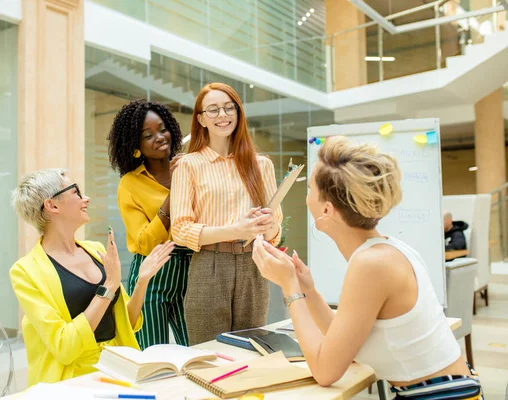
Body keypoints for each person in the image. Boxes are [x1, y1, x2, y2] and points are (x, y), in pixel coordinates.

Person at [251, 137, 483, 399]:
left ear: (327, 209)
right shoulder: (386, 250)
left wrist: (289, 287)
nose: (306, 197)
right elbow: (343, 339)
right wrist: (308, 289)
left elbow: (325, 371)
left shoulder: (371, 265)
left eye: (309, 189)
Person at [9, 168, 175, 386]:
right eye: (76, 192)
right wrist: (109, 287)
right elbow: (64, 347)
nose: (86, 198)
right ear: (52, 205)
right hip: (71, 381)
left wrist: (143, 280)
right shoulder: (25, 272)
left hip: (118, 369)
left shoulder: (95, 250)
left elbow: (128, 323)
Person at [170, 82, 283, 345]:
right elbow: (180, 230)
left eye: (228, 107)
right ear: (201, 119)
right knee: (208, 354)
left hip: (253, 265)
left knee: (252, 349)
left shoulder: (261, 165)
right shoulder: (188, 165)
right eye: (213, 110)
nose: (222, 115)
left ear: (238, 113)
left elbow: (275, 230)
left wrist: (267, 227)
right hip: (208, 265)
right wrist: (236, 230)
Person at [108, 99, 191, 349]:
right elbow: (144, 243)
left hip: (193, 269)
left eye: (163, 128)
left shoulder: (190, 168)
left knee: (198, 348)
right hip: (152, 273)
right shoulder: (130, 184)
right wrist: (174, 193)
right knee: (153, 356)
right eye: (148, 135)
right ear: (136, 146)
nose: (159, 137)